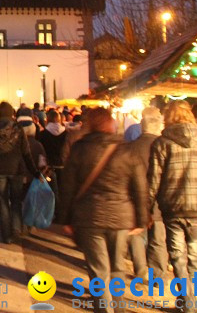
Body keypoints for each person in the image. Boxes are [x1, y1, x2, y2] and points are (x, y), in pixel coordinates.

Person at [58, 107, 148, 313]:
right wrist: (141, 219)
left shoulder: (81, 148)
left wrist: (65, 218)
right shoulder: (126, 149)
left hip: (90, 216)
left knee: (99, 270)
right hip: (120, 215)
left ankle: (104, 309)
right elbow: (140, 186)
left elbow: (68, 185)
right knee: (118, 267)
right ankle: (118, 308)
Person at [148, 101, 197, 313]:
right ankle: (189, 299)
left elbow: (154, 179)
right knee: (194, 255)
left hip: (173, 206)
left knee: (178, 255)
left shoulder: (162, 143)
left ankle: (187, 301)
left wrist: (148, 206)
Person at [0, 101, 38, 244]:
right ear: (12, 113)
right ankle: (16, 230)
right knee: (16, 201)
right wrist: (35, 171)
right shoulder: (18, 128)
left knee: (3, 202)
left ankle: (6, 235)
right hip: (16, 169)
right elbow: (26, 152)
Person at [127, 107, 166, 279]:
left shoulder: (131, 147)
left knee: (137, 233)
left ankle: (141, 268)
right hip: (159, 198)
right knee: (158, 237)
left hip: (136, 196)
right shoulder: (164, 147)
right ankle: (158, 274)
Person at [38, 108, 68, 198]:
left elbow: (41, 151)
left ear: (48, 119)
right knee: (62, 191)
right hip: (63, 165)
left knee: (50, 193)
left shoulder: (42, 134)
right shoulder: (66, 133)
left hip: (48, 167)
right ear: (59, 120)